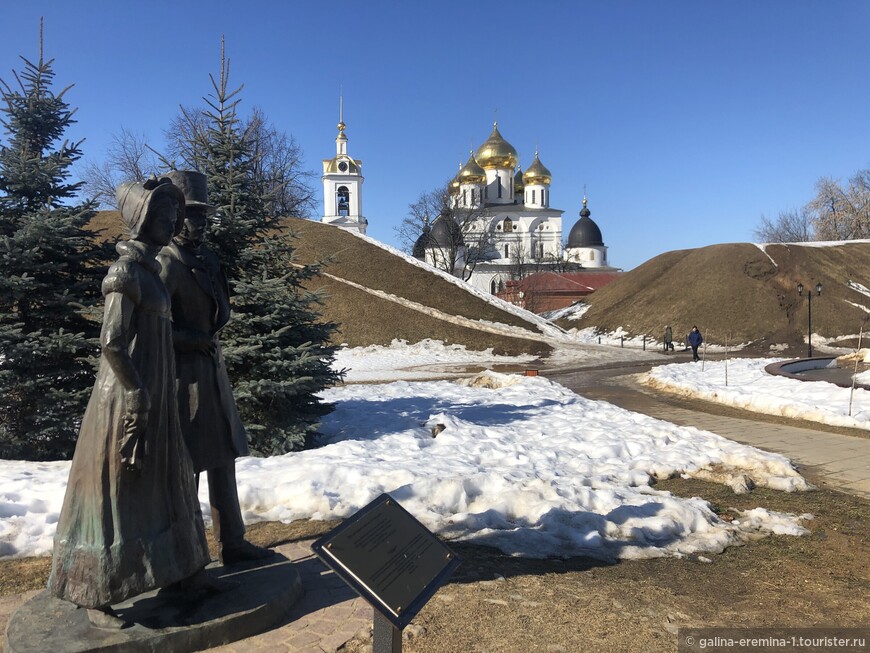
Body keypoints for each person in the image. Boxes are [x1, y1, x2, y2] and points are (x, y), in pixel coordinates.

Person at [48, 178, 212, 628]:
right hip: (127, 396)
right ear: (142, 219)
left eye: (174, 215)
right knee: (117, 490)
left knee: (170, 478)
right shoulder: (123, 275)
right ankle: (96, 594)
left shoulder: (151, 272)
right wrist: (137, 393)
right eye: (164, 216)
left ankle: (185, 573)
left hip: (156, 390)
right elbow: (113, 343)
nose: (174, 222)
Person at [158, 170, 271, 566]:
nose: (200, 222)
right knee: (186, 463)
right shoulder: (166, 262)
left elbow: (220, 309)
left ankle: (233, 542)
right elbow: (150, 327)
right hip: (181, 377)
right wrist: (189, 339)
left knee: (223, 456)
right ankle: (186, 555)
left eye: (204, 214)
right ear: (173, 217)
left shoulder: (207, 259)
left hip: (211, 371)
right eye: (192, 214)